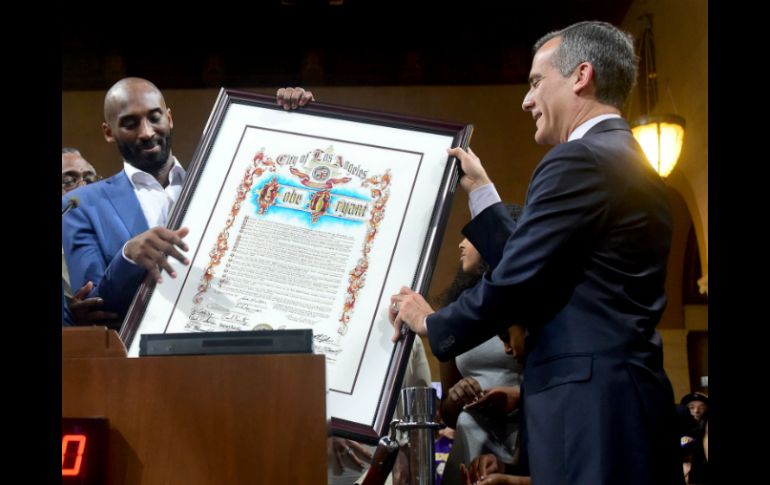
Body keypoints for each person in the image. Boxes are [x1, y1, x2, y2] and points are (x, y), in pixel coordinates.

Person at [389, 21, 683, 484]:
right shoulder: (627, 161)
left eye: (535, 82)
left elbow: (519, 281)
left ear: (581, 76)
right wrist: (484, 193)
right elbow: (546, 268)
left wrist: (431, 323)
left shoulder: (576, 159)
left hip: (588, 412)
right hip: (623, 401)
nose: (526, 100)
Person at [62, 79, 314, 321]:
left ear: (169, 118)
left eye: (154, 117)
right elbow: (93, 308)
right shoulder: (81, 204)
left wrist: (294, 119)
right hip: (140, 358)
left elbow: (285, 220)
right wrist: (127, 256)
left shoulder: (227, 183)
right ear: (109, 132)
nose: (146, 132)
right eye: (130, 124)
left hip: (233, 342)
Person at [439, 204, 524, 485]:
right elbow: (449, 415)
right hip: (468, 444)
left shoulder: (527, 306)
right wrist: (456, 396)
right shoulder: (456, 311)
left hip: (523, 447)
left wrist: (515, 395)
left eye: (472, 235)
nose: (462, 243)